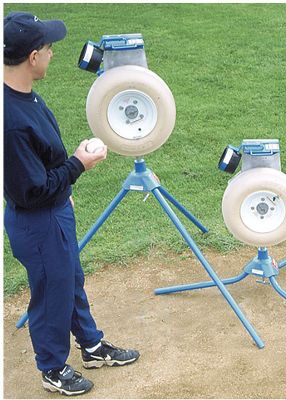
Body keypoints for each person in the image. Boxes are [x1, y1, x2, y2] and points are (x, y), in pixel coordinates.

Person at [3, 12, 140, 396]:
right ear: (32, 57)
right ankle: (51, 368)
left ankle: (92, 346)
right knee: (50, 294)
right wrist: (79, 163)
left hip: (52, 210)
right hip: (38, 220)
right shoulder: (9, 119)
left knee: (70, 281)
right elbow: (31, 191)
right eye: (47, 47)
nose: (51, 53)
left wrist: (65, 188)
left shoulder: (23, 95)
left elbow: (42, 171)